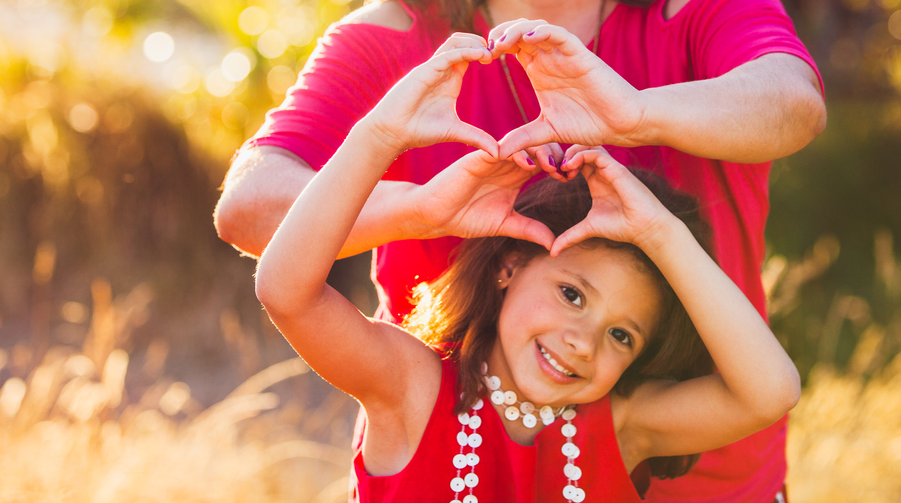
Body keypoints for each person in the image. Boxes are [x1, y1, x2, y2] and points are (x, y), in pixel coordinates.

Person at [216, 0, 825, 502]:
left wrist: (633, 113)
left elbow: (792, 103)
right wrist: (433, 209)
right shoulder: (395, 39)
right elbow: (251, 209)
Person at [253, 35, 802, 502]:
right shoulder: (412, 387)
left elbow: (769, 394)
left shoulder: (621, 426)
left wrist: (662, 234)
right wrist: (386, 149)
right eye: (572, 295)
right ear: (509, 266)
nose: (584, 343)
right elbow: (286, 292)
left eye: (620, 335)